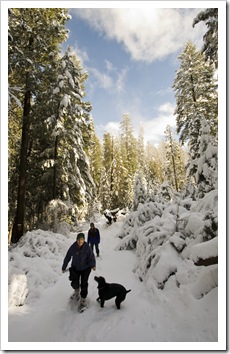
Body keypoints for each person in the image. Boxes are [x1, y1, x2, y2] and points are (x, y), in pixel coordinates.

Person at [62, 232, 96, 309]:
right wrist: (64, 266)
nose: (80, 242)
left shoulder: (87, 247)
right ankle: (76, 291)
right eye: (79, 241)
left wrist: (93, 265)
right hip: (75, 268)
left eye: (82, 241)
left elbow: (91, 257)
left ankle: (83, 300)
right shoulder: (73, 247)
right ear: (76, 240)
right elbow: (67, 257)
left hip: (86, 269)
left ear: (84, 240)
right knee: (74, 282)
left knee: (84, 283)